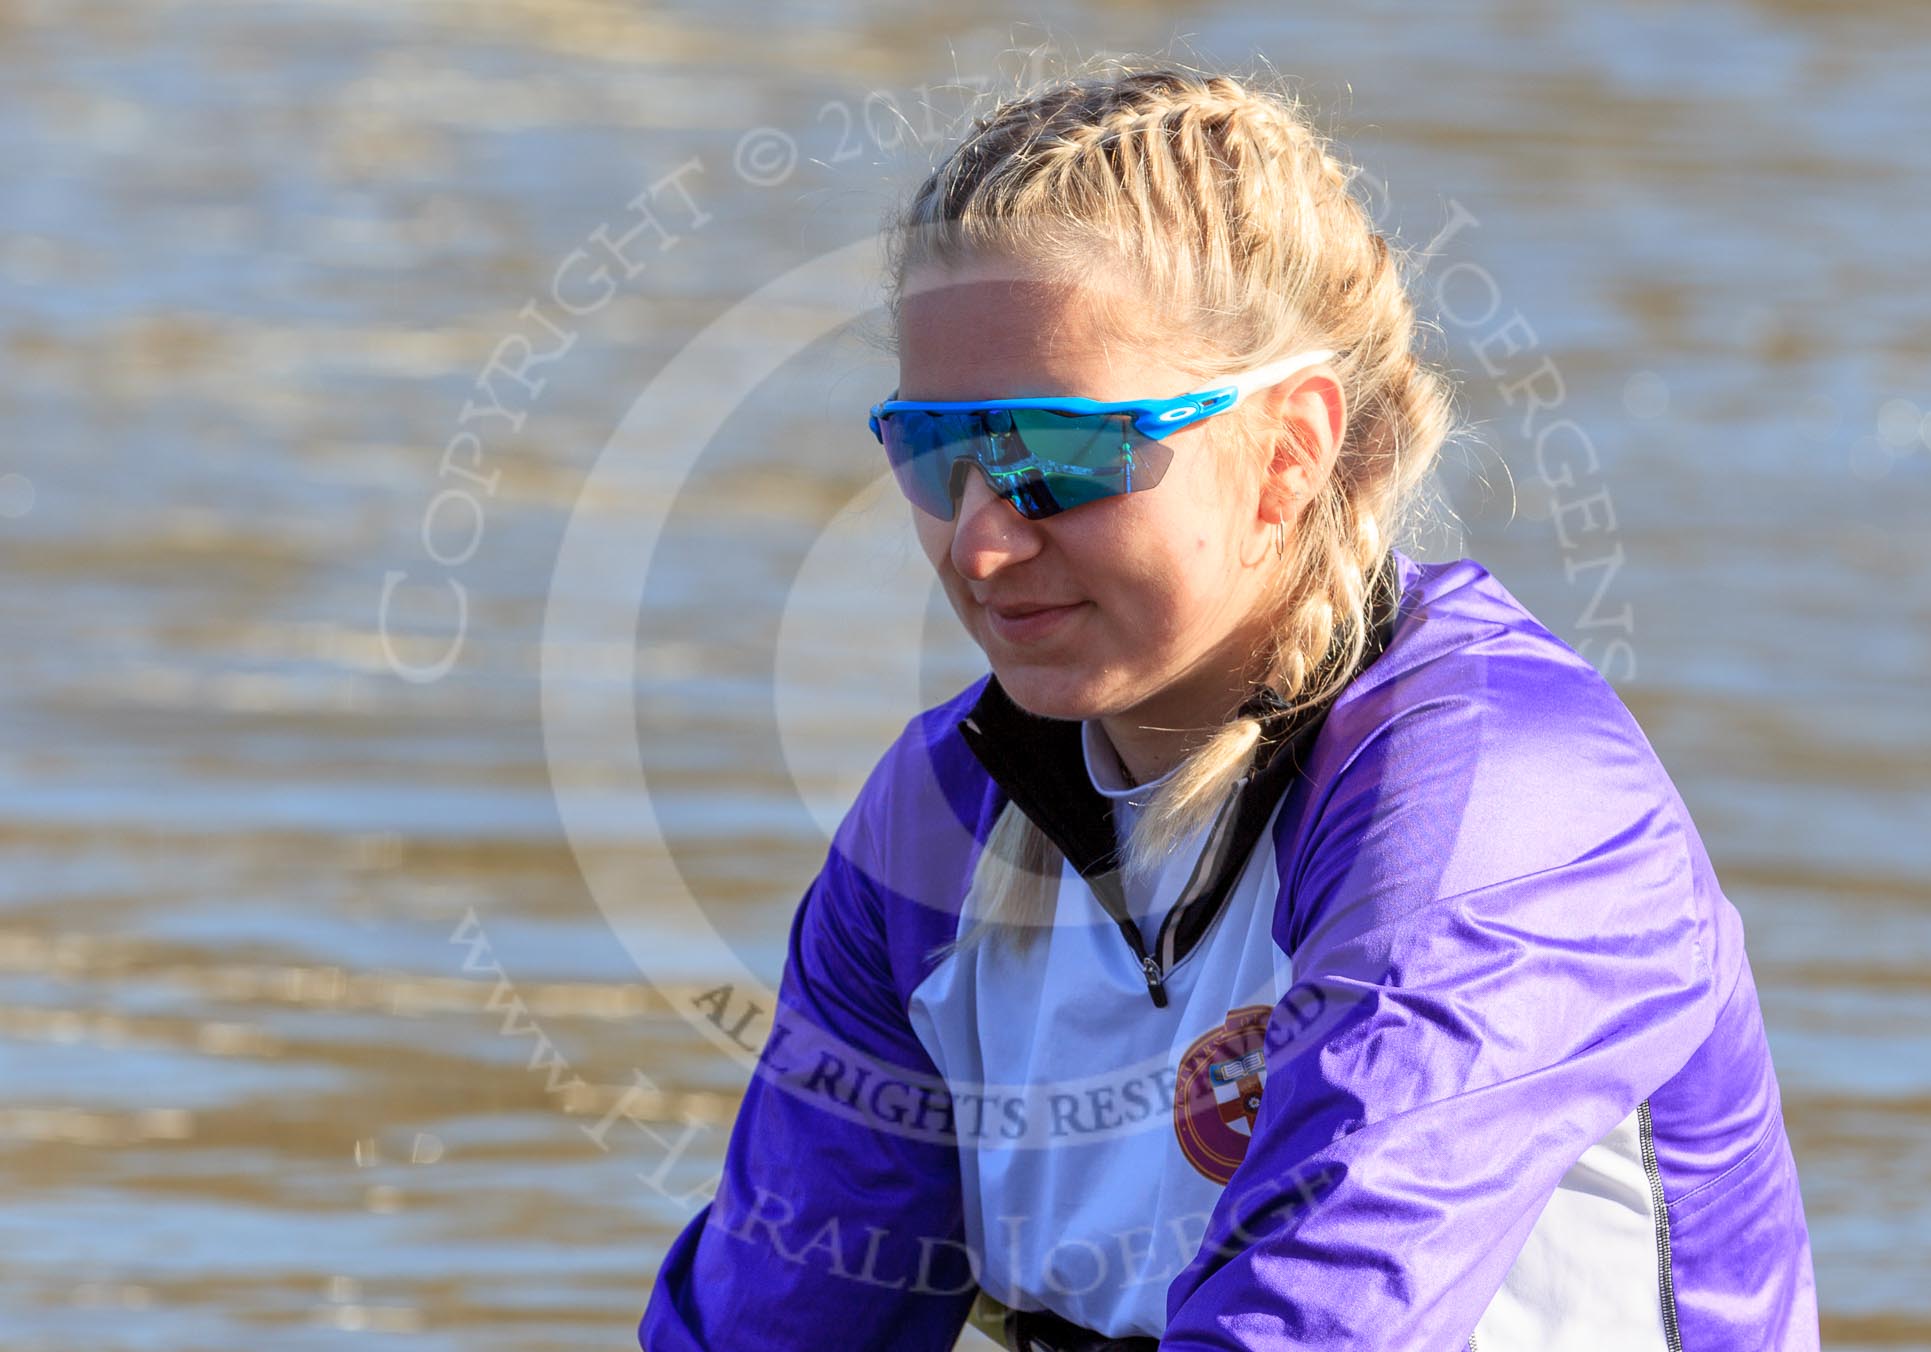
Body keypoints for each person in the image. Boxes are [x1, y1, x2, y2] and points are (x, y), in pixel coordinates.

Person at [639, 63, 1819, 1351]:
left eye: (1056, 454)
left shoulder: (1503, 800)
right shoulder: (932, 828)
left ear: (1292, 451)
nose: (979, 544)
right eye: (939, 451)